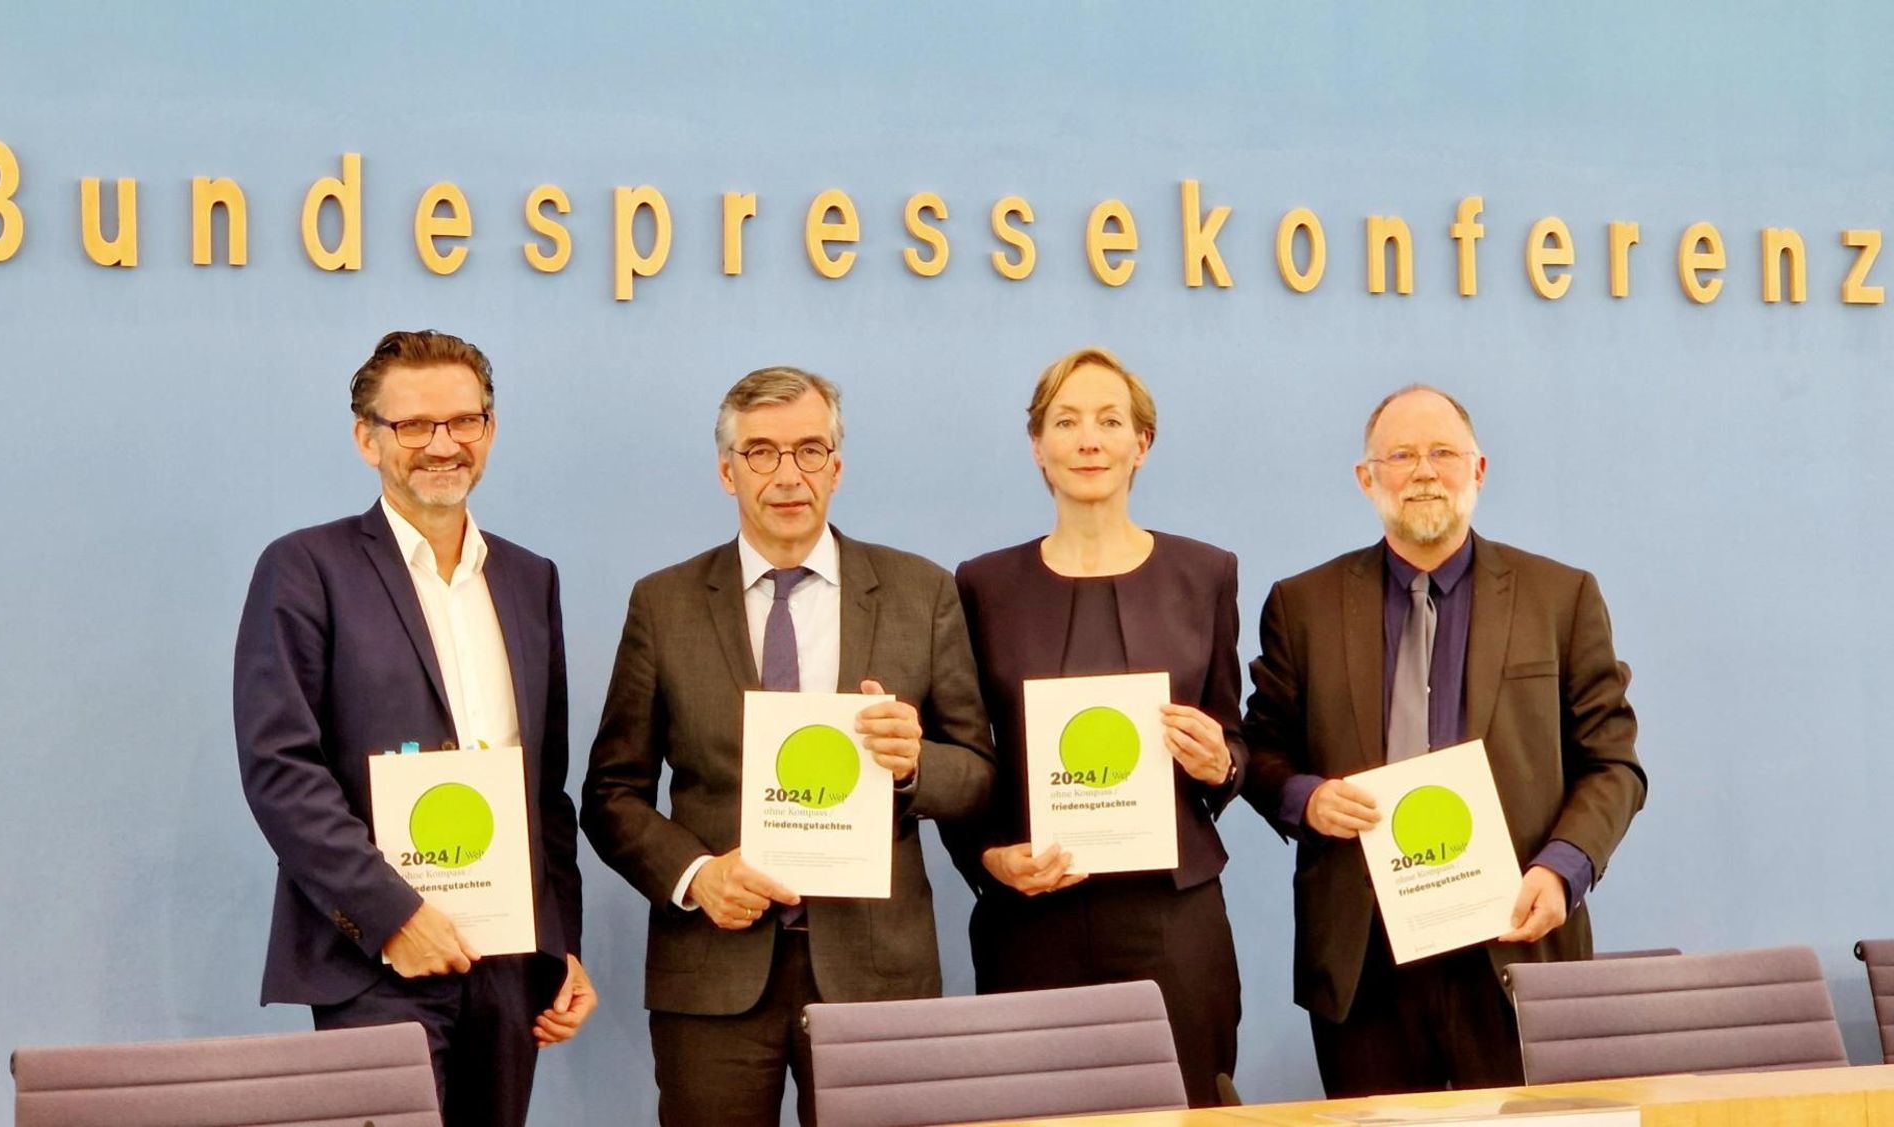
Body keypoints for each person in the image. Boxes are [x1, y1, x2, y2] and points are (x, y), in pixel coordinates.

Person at [581, 366, 994, 1127]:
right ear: (726, 470)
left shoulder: (920, 591)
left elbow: (975, 774)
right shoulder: (663, 603)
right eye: (762, 452)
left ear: (837, 468)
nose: (787, 475)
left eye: (809, 450)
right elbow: (610, 793)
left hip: (877, 972)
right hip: (712, 970)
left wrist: (915, 764)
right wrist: (696, 874)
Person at [1241, 384, 1646, 1097]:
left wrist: (1562, 867)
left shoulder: (1562, 597)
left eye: (1442, 452)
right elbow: (1260, 751)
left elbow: (1613, 764)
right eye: (1400, 455)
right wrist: (1308, 798)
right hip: (1366, 961)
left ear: (1479, 470)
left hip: (1516, 944)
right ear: (1367, 478)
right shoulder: (1300, 606)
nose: (1423, 471)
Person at [233, 330, 595, 1127]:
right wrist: (394, 915)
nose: (444, 444)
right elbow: (280, 769)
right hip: (375, 960)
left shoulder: (530, 579)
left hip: (507, 961)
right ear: (368, 438)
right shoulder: (305, 568)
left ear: (490, 431)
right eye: (415, 425)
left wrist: (560, 939)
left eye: (465, 421)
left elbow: (546, 790)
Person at [946, 347, 1246, 1107]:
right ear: (1037, 446)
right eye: (1067, 422)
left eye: (1110, 421)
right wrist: (989, 857)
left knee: (1190, 1112)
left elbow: (1236, 740)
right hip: (1031, 915)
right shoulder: (982, 585)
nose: (1089, 440)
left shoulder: (1205, 573)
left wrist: (1221, 763)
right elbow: (963, 756)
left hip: (1173, 916)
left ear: (1141, 443)